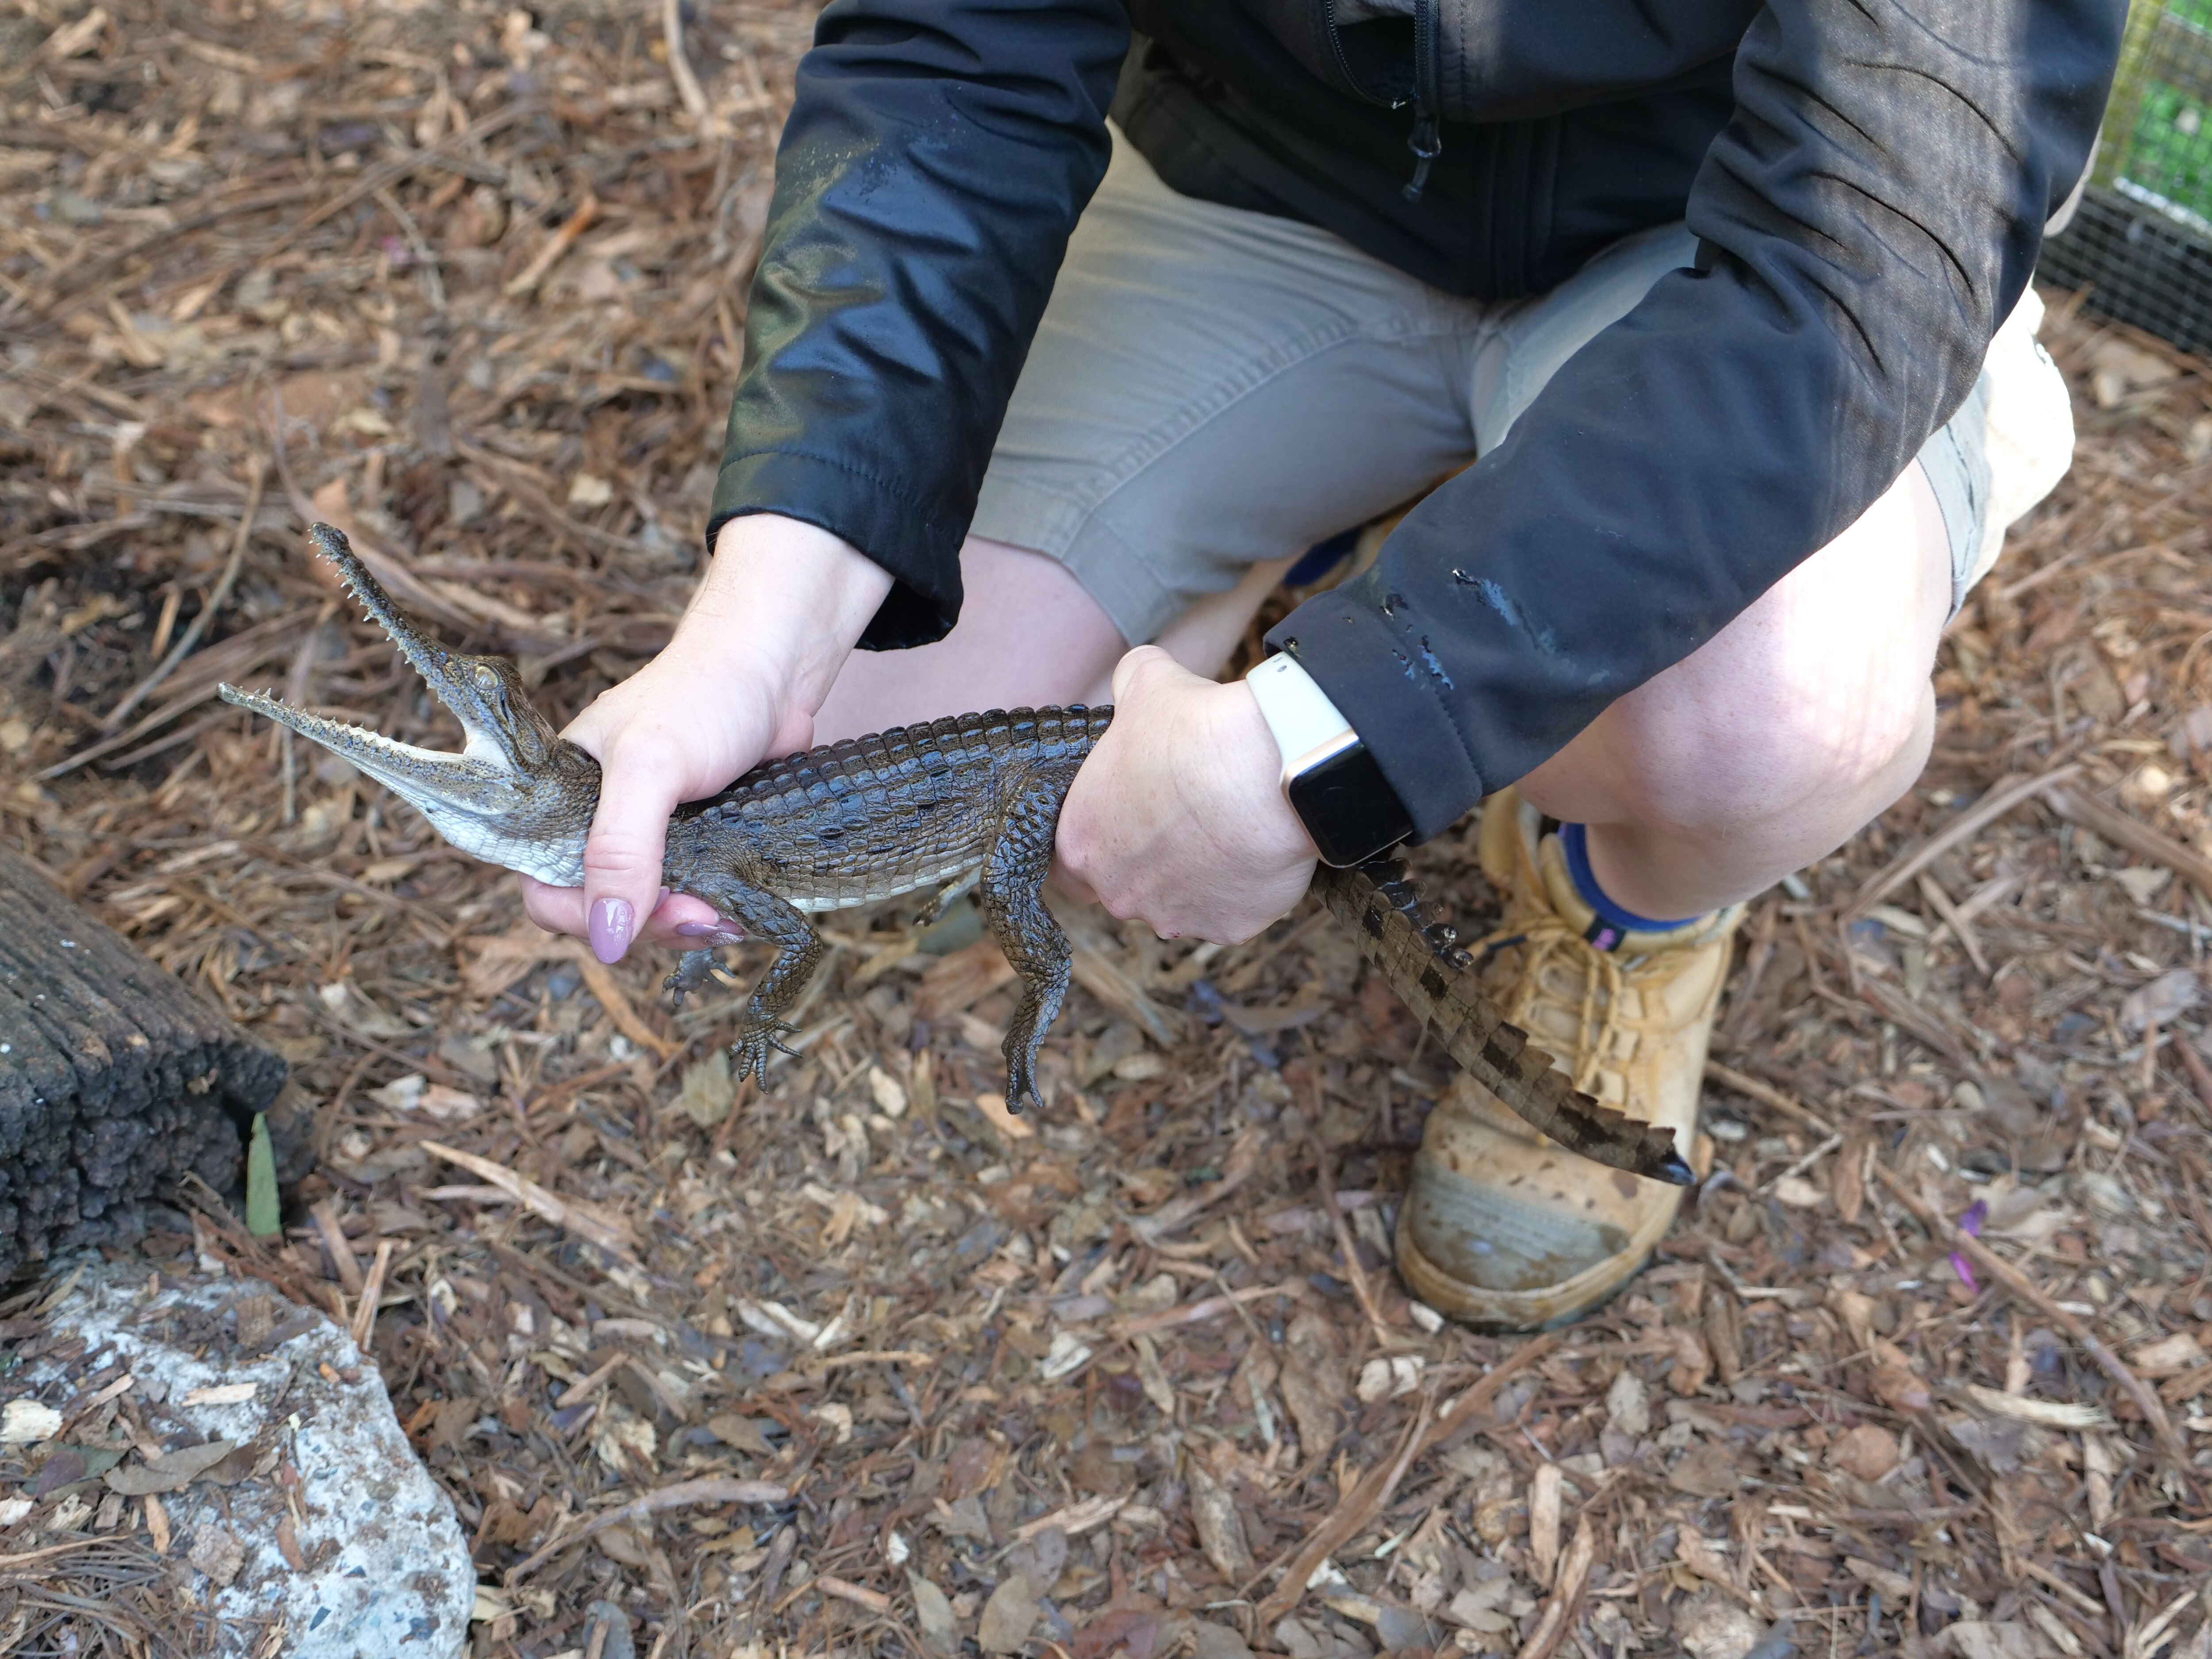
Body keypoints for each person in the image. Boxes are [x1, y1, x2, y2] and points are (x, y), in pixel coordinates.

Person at [521, 2, 2119, 1330]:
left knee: (1761, 723)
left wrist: (1320, 739)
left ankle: (1627, 907)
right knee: (848, 745)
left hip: (1718, 241)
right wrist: (758, 622)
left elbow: (1849, 270)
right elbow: (955, 53)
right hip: (1275, 181)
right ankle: (1335, 560)